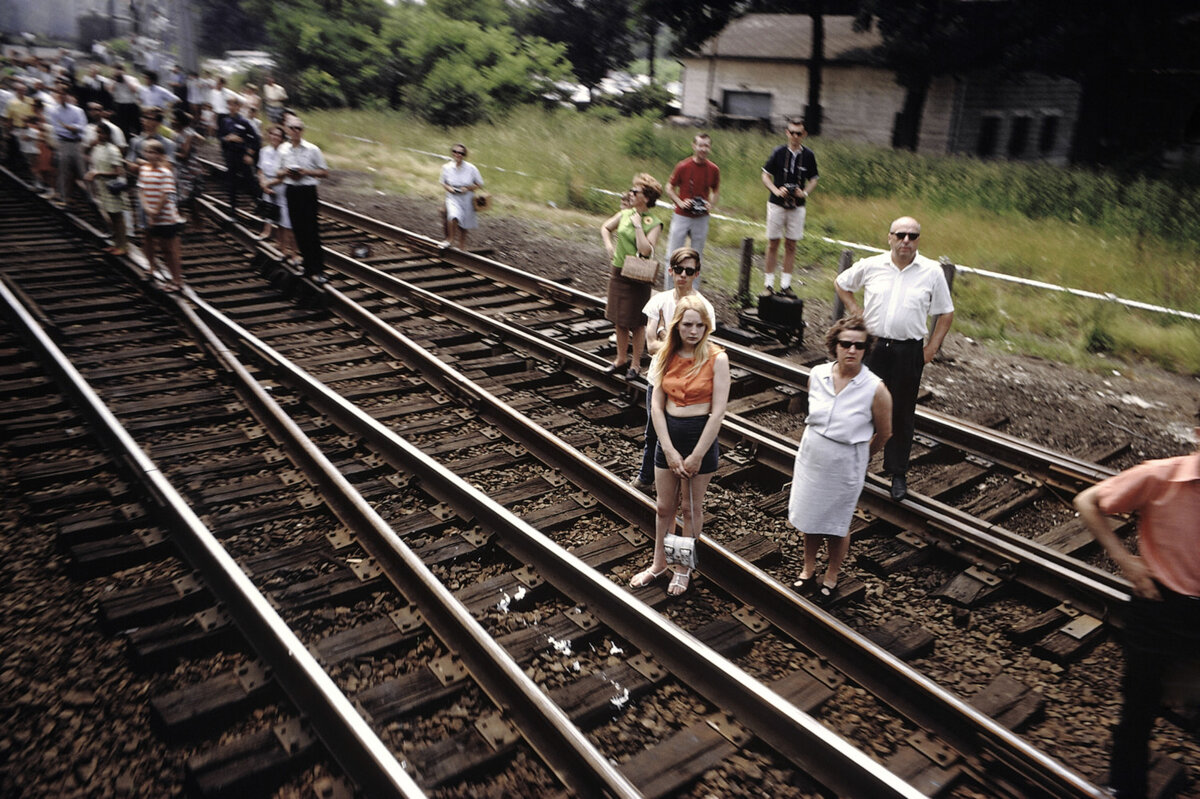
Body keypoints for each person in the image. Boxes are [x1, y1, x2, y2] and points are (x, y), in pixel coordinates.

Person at [1073, 408, 1200, 799]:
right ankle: (1125, 790)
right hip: (1159, 608)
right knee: (1138, 711)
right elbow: (1088, 500)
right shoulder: (1162, 476)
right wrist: (1125, 561)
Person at [834, 217, 953, 501]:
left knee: (901, 413)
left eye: (912, 236)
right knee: (862, 409)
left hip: (908, 350)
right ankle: (856, 465)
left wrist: (931, 349)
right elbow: (841, 282)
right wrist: (854, 309)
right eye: (901, 235)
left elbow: (945, 313)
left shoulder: (932, 271)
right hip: (873, 348)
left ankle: (897, 473)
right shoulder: (872, 265)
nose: (906, 241)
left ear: (918, 240)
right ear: (889, 237)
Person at [629, 295, 730, 596]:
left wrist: (697, 455)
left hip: (701, 438)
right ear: (677, 325)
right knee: (664, 507)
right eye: (688, 324)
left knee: (690, 507)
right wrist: (669, 450)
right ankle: (659, 564)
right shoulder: (665, 356)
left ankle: (682, 568)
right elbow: (657, 407)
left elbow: (718, 412)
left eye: (700, 325)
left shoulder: (717, 358)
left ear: (707, 327)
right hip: (668, 437)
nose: (694, 331)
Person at [788, 317, 892, 600]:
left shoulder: (875, 388)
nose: (851, 350)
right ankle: (808, 570)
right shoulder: (818, 375)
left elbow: (884, 432)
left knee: (837, 523)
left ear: (865, 349)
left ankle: (831, 574)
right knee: (811, 518)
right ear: (834, 346)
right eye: (845, 344)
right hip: (813, 456)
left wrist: (861, 458)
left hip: (847, 461)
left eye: (859, 346)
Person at [632, 247, 716, 491]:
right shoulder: (658, 301)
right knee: (653, 433)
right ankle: (647, 478)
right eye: (678, 270)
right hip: (659, 378)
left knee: (684, 430)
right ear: (670, 271)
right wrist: (677, 343)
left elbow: (701, 349)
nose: (682, 275)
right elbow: (650, 346)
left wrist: (664, 335)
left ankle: (681, 480)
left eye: (688, 271)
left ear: (696, 274)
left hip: (689, 380)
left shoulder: (704, 308)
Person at [600, 174, 663, 381]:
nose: (631, 194)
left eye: (635, 192)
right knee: (619, 319)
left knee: (636, 322)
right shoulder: (625, 213)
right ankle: (620, 359)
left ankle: (635, 364)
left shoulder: (654, 222)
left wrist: (638, 226)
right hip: (619, 271)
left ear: (645, 197)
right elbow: (605, 227)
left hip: (637, 275)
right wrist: (609, 246)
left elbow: (645, 250)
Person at [761, 117, 819, 296]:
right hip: (777, 204)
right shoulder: (778, 152)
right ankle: (768, 284)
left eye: (798, 133)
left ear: (804, 135)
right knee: (773, 243)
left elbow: (814, 178)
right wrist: (776, 190)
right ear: (787, 133)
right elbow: (765, 175)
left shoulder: (808, 155)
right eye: (792, 133)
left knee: (791, 244)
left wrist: (805, 192)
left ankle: (786, 285)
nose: (795, 136)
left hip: (797, 205)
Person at [662, 133, 720, 289]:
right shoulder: (683, 166)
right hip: (682, 216)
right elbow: (669, 187)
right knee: (672, 254)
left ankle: (692, 294)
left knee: (697, 256)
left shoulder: (713, 169)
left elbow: (715, 190)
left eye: (706, 146)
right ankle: (669, 291)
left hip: (701, 217)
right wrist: (680, 202)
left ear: (710, 148)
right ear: (694, 146)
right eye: (700, 145)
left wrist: (710, 205)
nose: (703, 149)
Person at [276, 118, 329, 281]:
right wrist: (286, 172)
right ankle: (307, 266)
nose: (295, 131)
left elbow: (324, 172)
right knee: (298, 230)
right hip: (291, 190)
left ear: (302, 131)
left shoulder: (313, 149)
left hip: (307, 191)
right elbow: (278, 172)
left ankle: (319, 270)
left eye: (298, 128)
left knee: (312, 230)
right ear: (287, 130)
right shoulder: (283, 149)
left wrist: (305, 172)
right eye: (292, 128)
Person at [137, 139, 185, 291]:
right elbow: (141, 190)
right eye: (147, 152)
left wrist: (155, 212)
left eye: (153, 152)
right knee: (158, 247)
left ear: (160, 155)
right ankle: (172, 279)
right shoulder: (144, 170)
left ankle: (177, 280)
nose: (150, 155)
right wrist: (147, 210)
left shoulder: (166, 172)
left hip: (165, 217)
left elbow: (166, 195)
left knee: (168, 250)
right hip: (151, 215)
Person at [85, 123, 128, 255]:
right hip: (102, 187)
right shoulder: (97, 148)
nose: (99, 135)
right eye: (97, 132)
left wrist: (98, 174)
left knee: (117, 217)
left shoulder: (112, 150)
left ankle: (123, 246)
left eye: (101, 133)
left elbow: (118, 172)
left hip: (112, 188)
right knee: (110, 216)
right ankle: (116, 243)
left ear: (108, 134)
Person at [257, 124, 296, 262]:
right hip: (267, 185)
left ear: (281, 138)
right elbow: (260, 170)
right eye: (272, 134)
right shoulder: (264, 151)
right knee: (273, 217)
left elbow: (283, 176)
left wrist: (268, 184)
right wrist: (263, 184)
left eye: (278, 135)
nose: (274, 137)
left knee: (285, 221)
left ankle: (291, 251)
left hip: (280, 187)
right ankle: (281, 247)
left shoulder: (285, 152)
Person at [218, 95, 260, 212]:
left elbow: (255, 139)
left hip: (242, 155)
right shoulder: (224, 121)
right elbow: (220, 137)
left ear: (238, 107)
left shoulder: (244, 122)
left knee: (249, 180)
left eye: (234, 105)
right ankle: (232, 207)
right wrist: (227, 139)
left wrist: (249, 153)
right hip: (230, 155)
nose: (231, 107)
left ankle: (258, 202)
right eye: (230, 104)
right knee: (231, 182)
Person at [438, 143, 483, 249]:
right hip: (452, 196)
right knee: (453, 216)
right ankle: (450, 239)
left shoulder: (472, 168)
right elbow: (443, 182)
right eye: (455, 152)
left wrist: (467, 188)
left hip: (467, 197)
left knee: (465, 223)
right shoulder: (447, 167)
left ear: (464, 155)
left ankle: (461, 246)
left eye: (461, 153)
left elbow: (479, 183)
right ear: (452, 153)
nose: (458, 155)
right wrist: (449, 188)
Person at [47, 86, 86, 205]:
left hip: (77, 143)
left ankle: (91, 198)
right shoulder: (54, 111)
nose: (62, 96)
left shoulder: (78, 111)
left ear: (68, 95)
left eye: (64, 94)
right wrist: (72, 129)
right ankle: (63, 197)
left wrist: (72, 128)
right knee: (63, 171)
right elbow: (58, 129)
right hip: (64, 142)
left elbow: (82, 127)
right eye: (59, 94)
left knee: (82, 171)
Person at [171, 108, 204, 221]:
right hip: (179, 170)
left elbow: (184, 155)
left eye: (174, 119)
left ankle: (196, 222)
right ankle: (181, 221)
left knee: (189, 199)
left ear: (179, 121)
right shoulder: (176, 134)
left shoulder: (188, 134)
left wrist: (169, 153)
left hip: (190, 171)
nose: (172, 121)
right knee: (178, 198)